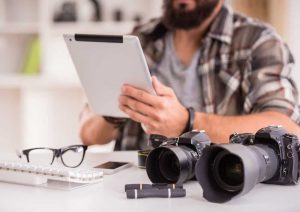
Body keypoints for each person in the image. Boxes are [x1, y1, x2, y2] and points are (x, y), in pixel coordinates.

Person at [79, 0, 300, 150]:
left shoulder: (259, 41)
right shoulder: (139, 38)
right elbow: (88, 134)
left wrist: (187, 123)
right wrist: (118, 107)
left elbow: (287, 130)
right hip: (135, 190)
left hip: (221, 191)